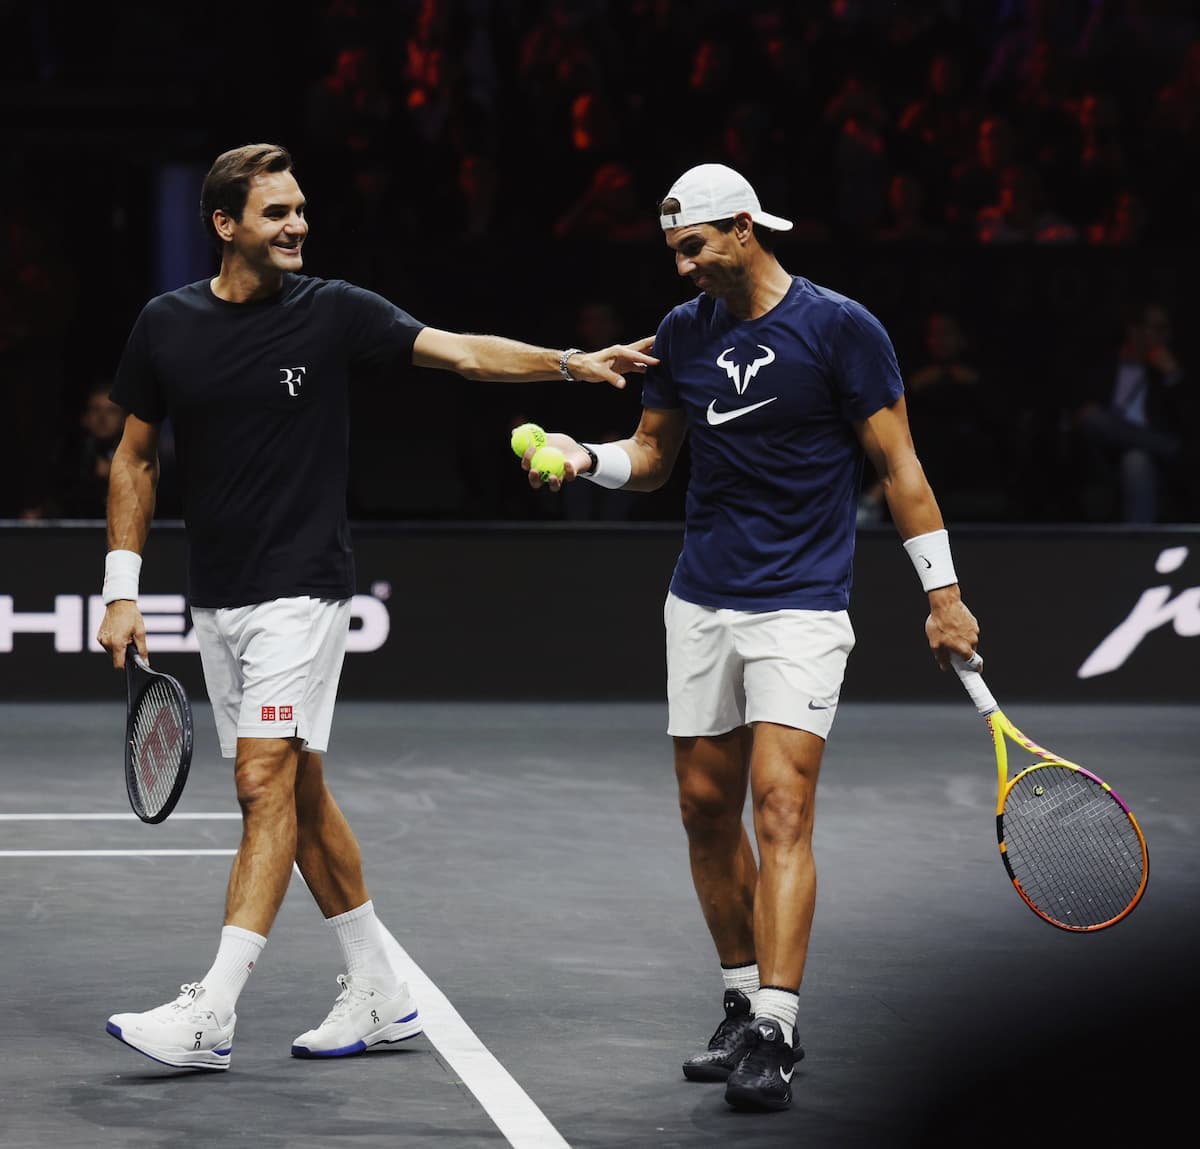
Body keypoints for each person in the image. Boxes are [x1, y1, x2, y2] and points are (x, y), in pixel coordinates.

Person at [96, 142, 655, 1072]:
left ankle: (214, 1011)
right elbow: (135, 456)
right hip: (218, 600)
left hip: (304, 589)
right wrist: (122, 588)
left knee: (263, 783)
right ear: (226, 224)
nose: (298, 224)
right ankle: (381, 990)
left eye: (302, 209)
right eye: (277, 213)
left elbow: (463, 354)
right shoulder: (166, 325)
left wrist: (567, 362)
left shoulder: (334, 312)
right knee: (300, 794)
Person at [518, 163, 980, 1112]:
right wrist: (581, 457)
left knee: (781, 808)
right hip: (700, 600)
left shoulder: (841, 327)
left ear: (742, 230)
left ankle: (777, 1021)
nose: (683, 266)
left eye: (694, 246)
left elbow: (898, 466)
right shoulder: (684, 333)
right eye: (674, 251)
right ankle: (737, 998)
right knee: (702, 808)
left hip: (802, 605)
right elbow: (651, 462)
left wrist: (944, 595)